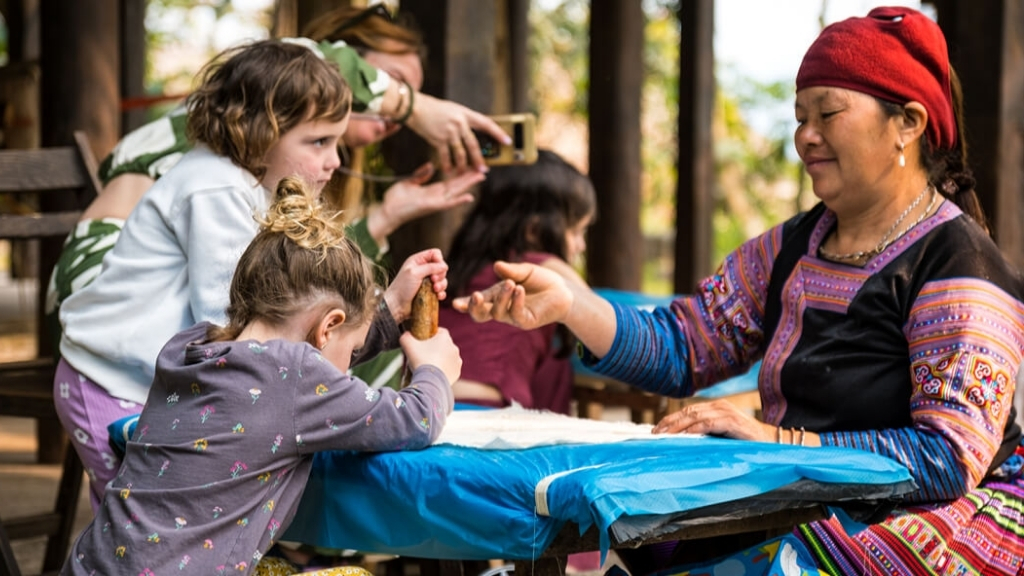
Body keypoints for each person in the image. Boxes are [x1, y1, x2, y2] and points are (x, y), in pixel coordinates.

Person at [455, 7, 1024, 575]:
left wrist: (775, 441)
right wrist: (573, 304)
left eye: (828, 113)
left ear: (909, 123)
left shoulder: (959, 264)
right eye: (800, 117)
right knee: (638, 529)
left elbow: (946, 457)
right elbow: (684, 347)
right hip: (800, 497)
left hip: (933, 518)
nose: (806, 137)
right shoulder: (789, 248)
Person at [52, 39, 447, 512]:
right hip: (109, 380)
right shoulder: (213, 188)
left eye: (337, 141)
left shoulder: (248, 188)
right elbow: (238, 325)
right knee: (144, 515)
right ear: (259, 132)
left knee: (168, 513)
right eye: (319, 142)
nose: (336, 160)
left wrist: (387, 309)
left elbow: (281, 314)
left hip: (153, 385)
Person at [59, 176, 460, 576]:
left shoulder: (188, 350)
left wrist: (387, 313)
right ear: (328, 326)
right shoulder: (296, 377)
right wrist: (435, 369)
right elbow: (414, 418)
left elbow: (301, 372)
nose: (347, 362)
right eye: (351, 347)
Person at [45, 4, 487, 352]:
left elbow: (289, 283)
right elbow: (233, 313)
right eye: (392, 81)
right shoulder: (257, 102)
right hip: (107, 299)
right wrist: (414, 106)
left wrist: (388, 217)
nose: (396, 113)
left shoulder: (293, 161)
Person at [438, 149, 595, 413]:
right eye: (577, 232)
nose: (581, 245)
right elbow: (604, 320)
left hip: (429, 407)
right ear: (534, 230)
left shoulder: (462, 268)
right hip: (488, 413)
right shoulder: (542, 267)